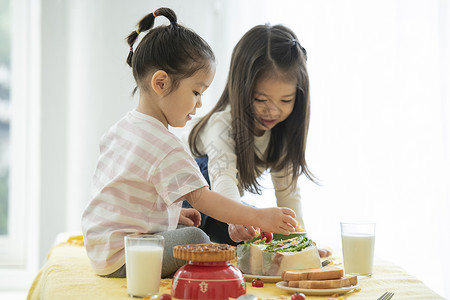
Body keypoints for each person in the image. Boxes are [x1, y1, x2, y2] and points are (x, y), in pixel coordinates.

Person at [81, 8, 297, 279]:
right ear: (161, 83)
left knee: (188, 226)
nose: (200, 103)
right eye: (196, 91)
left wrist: (169, 218)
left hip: (101, 250)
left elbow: (123, 196)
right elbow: (204, 200)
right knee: (198, 237)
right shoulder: (167, 145)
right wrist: (257, 217)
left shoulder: (122, 128)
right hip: (129, 256)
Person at [187, 24, 330, 257]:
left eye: (286, 100)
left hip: (223, 209)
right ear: (241, 89)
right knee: (236, 218)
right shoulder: (222, 125)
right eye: (261, 99)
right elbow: (222, 178)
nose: (272, 111)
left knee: (265, 231)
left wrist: (302, 244)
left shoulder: (281, 134)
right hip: (186, 202)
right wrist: (236, 217)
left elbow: (288, 195)